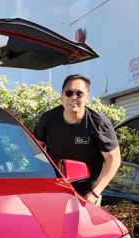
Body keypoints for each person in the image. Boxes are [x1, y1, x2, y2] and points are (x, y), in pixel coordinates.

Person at [33, 74, 121, 205]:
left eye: (79, 94)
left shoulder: (99, 124)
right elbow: (35, 151)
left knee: (85, 226)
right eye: (69, 93)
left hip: (87, 195)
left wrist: (94, 193)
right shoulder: (48, 119)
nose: (73, 97)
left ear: (87, 97)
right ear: (62, 96)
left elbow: (114, 160)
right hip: (55, 192)